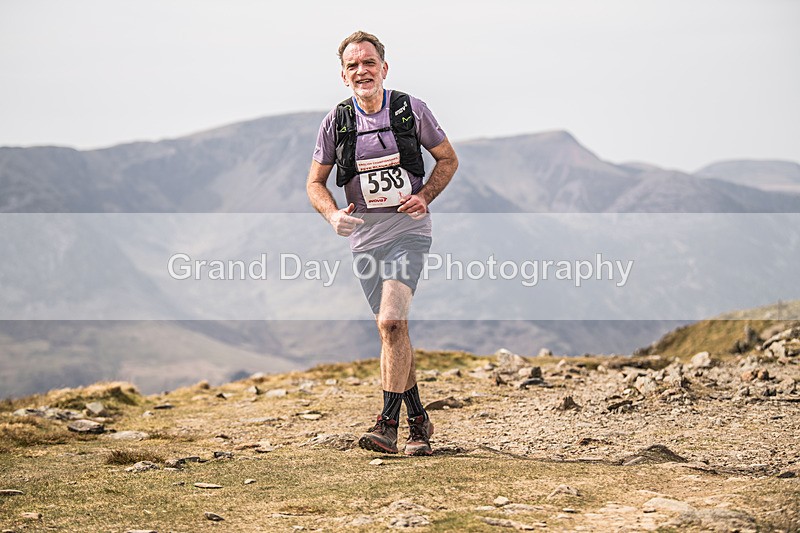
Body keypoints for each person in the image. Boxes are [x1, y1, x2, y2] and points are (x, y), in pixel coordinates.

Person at [306, 31, 458, 456]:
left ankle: (386, 426)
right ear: (343, 76)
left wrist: (424, 196)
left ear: (383, 68)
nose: (362, 71)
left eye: (369, 63)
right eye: (353, 65)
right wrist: (333, 214)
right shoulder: (336, 122)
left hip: (408, 234)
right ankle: (419, 422)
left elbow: (448, 158)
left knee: (391, 324)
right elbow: (315, 183)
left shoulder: (411, 110)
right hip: (365, 241)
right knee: (393, 331)